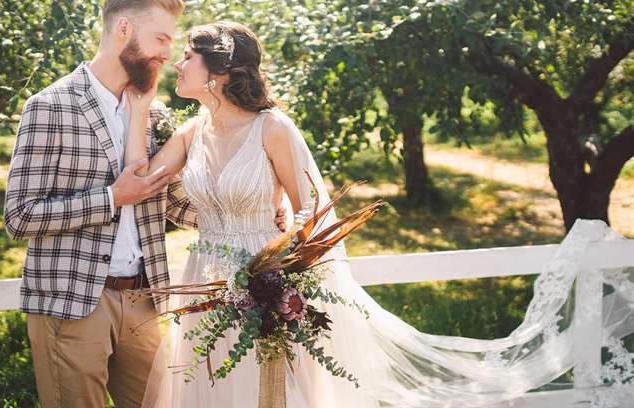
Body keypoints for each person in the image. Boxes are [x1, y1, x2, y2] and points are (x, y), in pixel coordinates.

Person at [127, 21, 634, 407]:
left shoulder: (272, 129)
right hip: (206, 281)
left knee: (272, 389)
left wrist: (284, 278)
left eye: (188, 57)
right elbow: (142, 177)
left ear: (219, 71)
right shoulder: (194, 132)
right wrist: (139, 105)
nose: (179, 66)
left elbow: (313, 211)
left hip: (266, 280)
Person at [4, 0, 285, 408]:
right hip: (73, 301)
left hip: (146, 299)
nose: (167, 54)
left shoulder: (153, 112)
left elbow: (167, 200)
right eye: (160, 39)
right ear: (122, 29)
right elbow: (20, 216)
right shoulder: (51, 105)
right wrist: (113, 197)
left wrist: (254, 216)